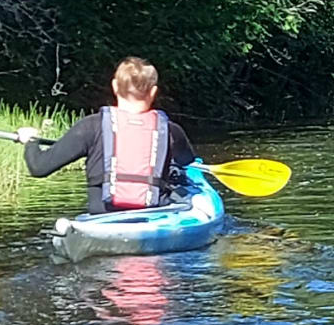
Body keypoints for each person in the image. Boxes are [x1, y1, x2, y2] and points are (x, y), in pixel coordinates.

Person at [20, 57, 200, 211]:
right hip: (154, 214)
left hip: (103, 216)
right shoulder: (170, 130)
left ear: (114, 86)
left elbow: (39, 167)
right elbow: (188, 163)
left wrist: (31, 141)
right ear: (153, 92)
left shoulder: (89, 127)